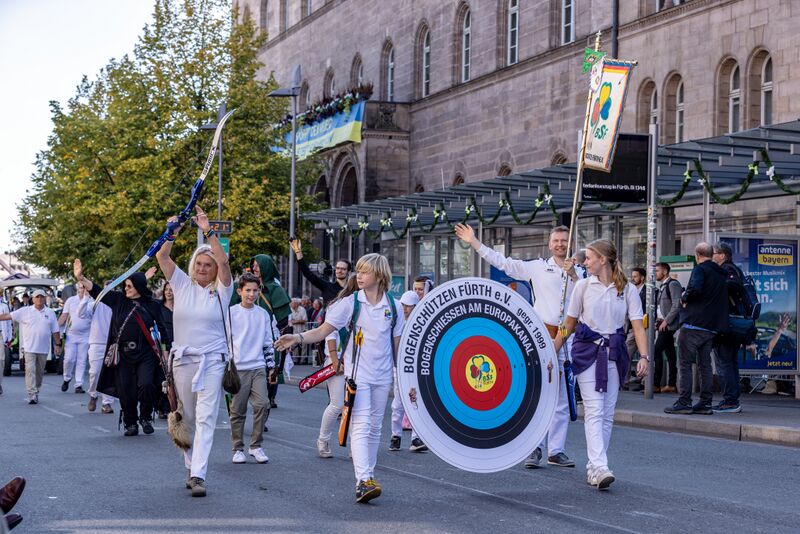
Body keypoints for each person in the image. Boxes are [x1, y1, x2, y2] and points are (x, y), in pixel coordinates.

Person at [275, 253, 404, 504]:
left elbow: (398, 348)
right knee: (361, 423)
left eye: (364, 271)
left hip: (383, 376)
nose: (359, 276)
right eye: (358, 271)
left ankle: (369, 477)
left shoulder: (394, 307)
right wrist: (297, 338)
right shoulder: (350, 303)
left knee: (376, 426)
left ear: (379, 275)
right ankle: (363, 480)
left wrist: (406, 381)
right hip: (358, 376)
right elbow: (324, 331)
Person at [455, 223, 580, 469]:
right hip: (543, 335)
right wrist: (475, 243)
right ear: (549, 243)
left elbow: (585, 297)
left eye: (564, 241)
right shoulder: (537, 268)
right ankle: (534, 447)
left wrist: (575, 274)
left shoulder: (581, 272)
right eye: (556, 240)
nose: (560, 245)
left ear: (571, 243)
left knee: (563, 397)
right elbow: (503, 263)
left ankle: (556, 450)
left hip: (569, 334)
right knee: (540, 394)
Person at [554, 239, 649, 490]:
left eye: (589, 258)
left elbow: (638, 326)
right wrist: (550, 352)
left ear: (603, 260)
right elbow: (569, 323)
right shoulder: (583, 286)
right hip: (587, 353)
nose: (585, 262)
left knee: (607, 413)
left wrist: (645, 356)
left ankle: (594, 467)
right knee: (595, 409)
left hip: (615, 353)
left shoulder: (627, 290)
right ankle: (599, 466)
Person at [155, 205, 233, 497]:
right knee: (186, 416)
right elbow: (162, 256)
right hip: (184, 359)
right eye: (199, 264)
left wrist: (208, 230)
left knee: (206, 417)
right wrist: (171, 232)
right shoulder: (181, 284)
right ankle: (191, 465)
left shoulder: (222, 290)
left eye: (207, 265)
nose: (203, 268)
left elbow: (224, 263)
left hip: (212, 360)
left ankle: (199, 474)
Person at [76, 260, 169, 436]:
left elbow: (162, 329)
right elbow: (97, 290)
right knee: (127, 389)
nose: (126, 289)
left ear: (139, 288)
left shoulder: (152, 305)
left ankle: (146, 417)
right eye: (125, 286)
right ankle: (130, 422)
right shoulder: (118, 300)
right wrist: (81, 277)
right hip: (123, 354)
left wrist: (164, 350)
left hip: (146, 353)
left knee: (147, 384)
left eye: (130, 286)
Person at [664, 242, 728, 416]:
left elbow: (695, 288)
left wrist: (685, 297)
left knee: (684, 363)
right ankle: (706, 403)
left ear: (697, 255)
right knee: (705, 365)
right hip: (711, 326)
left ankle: (684, 401)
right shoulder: (720, 272)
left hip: (694, 323)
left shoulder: (700, 269)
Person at [229, 273, 278, 465]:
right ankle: (237, 448)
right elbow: (225, 340)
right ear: (239, 291)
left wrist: (271, 366)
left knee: (262, 404)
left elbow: (268, 341)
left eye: (255, 290)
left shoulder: (263, 314)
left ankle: (256, 446)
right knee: (238, 410)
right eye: (247, 290)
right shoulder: (231, 313)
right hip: (238, 368)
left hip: (258, 366)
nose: (251, 294)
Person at [232, 254, 290, 410]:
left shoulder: (275, 289)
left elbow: (284, 322)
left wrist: (284, 342)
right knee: (236, 386)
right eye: (253, 265)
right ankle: (237, 413)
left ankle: (265, 408)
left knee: (269, 376)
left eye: (258, 265)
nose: (255, 268)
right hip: (243, 340)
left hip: (268, 338)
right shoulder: (242, 286)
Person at [315, 276, 358, 458]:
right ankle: (323, 440)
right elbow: (330, 334)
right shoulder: (338, 306)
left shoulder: (368, 307)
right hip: (338, 361)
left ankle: (355, 446)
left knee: (357, 408)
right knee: (337, 404)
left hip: (358, 363)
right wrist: (334, 359)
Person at [0, 289, 62, 404]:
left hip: (43, 349)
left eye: (41, 297)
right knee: (30, 370)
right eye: (37, 297)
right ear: (32, 299)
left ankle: (36, 390)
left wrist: (58, 345)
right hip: (29, 348)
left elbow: (55, 331)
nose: (39, 299)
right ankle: (32, 394)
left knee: (39, 373)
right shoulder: (25, 311)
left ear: (44, 298)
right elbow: (8, 316)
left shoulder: (50, 313)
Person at [389, 290, 428, 453]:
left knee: (415, 403)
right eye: (403, 305)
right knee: (398, 404)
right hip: (399, 369)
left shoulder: (421, 324)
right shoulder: (397, 323)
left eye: (409, 306)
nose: (405, 309)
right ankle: (395, 436)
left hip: (414, 371)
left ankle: (415, 437)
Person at [712, 241, 746, 413]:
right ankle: (732, 399)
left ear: (722, 255)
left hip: (728, 324)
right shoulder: (733, 268)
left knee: (724, 362)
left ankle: (730, 401)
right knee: (730, 362)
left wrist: (716, 284)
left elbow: (734, 286)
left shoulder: (728, 269)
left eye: (714, 253)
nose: (712, 256)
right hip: (734, 323)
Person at [85, 280, 115, 414]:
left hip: (112, 343)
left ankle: (106, 403)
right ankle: (93, 394)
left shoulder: (117, 304)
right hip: (96, 342)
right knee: (95, 372)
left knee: (109, 373)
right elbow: (82, 313)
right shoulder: (95, 303)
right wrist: (86, 297)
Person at [57, 283, 93, 394]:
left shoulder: (92, 301)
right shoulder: (71, 300)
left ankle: (79, 384)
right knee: (69, 359)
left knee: (81, 360)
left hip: (85, 335)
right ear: (77, 289)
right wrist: (55, 328)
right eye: (81, 288)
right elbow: (64, 316)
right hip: (71, 335)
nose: (83, 290)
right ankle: (67, 378)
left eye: (85, 288)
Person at [654, 263, 681, 393]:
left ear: (665, 272)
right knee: (670, 354)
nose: (655, 273)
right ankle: (671, 384)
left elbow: (676, 305)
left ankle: (655, 384)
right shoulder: (662, 286)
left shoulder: (673, 284)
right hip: (662, 324)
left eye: (657, 271)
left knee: (656, 350)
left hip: (668, 325)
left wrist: (666, 321)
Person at [0, 294, 11, 395]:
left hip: (1, 335)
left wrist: (9, 337)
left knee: (1, 360)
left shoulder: (4, 306)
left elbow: (8, 322)